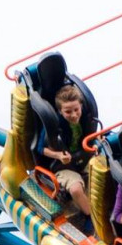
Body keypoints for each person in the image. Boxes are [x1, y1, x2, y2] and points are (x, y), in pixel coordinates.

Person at [39, 85, 96, 233]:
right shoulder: (53, 125)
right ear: (60, 111)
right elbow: (39, 148)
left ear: (81, 106)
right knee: (76, 189)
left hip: (84, 157)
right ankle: (91, 217)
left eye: (76, 110)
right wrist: (58, 155)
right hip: (63, 165)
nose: (74, 115)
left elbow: (94, 136)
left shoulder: (86, 118)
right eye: (68, 112)